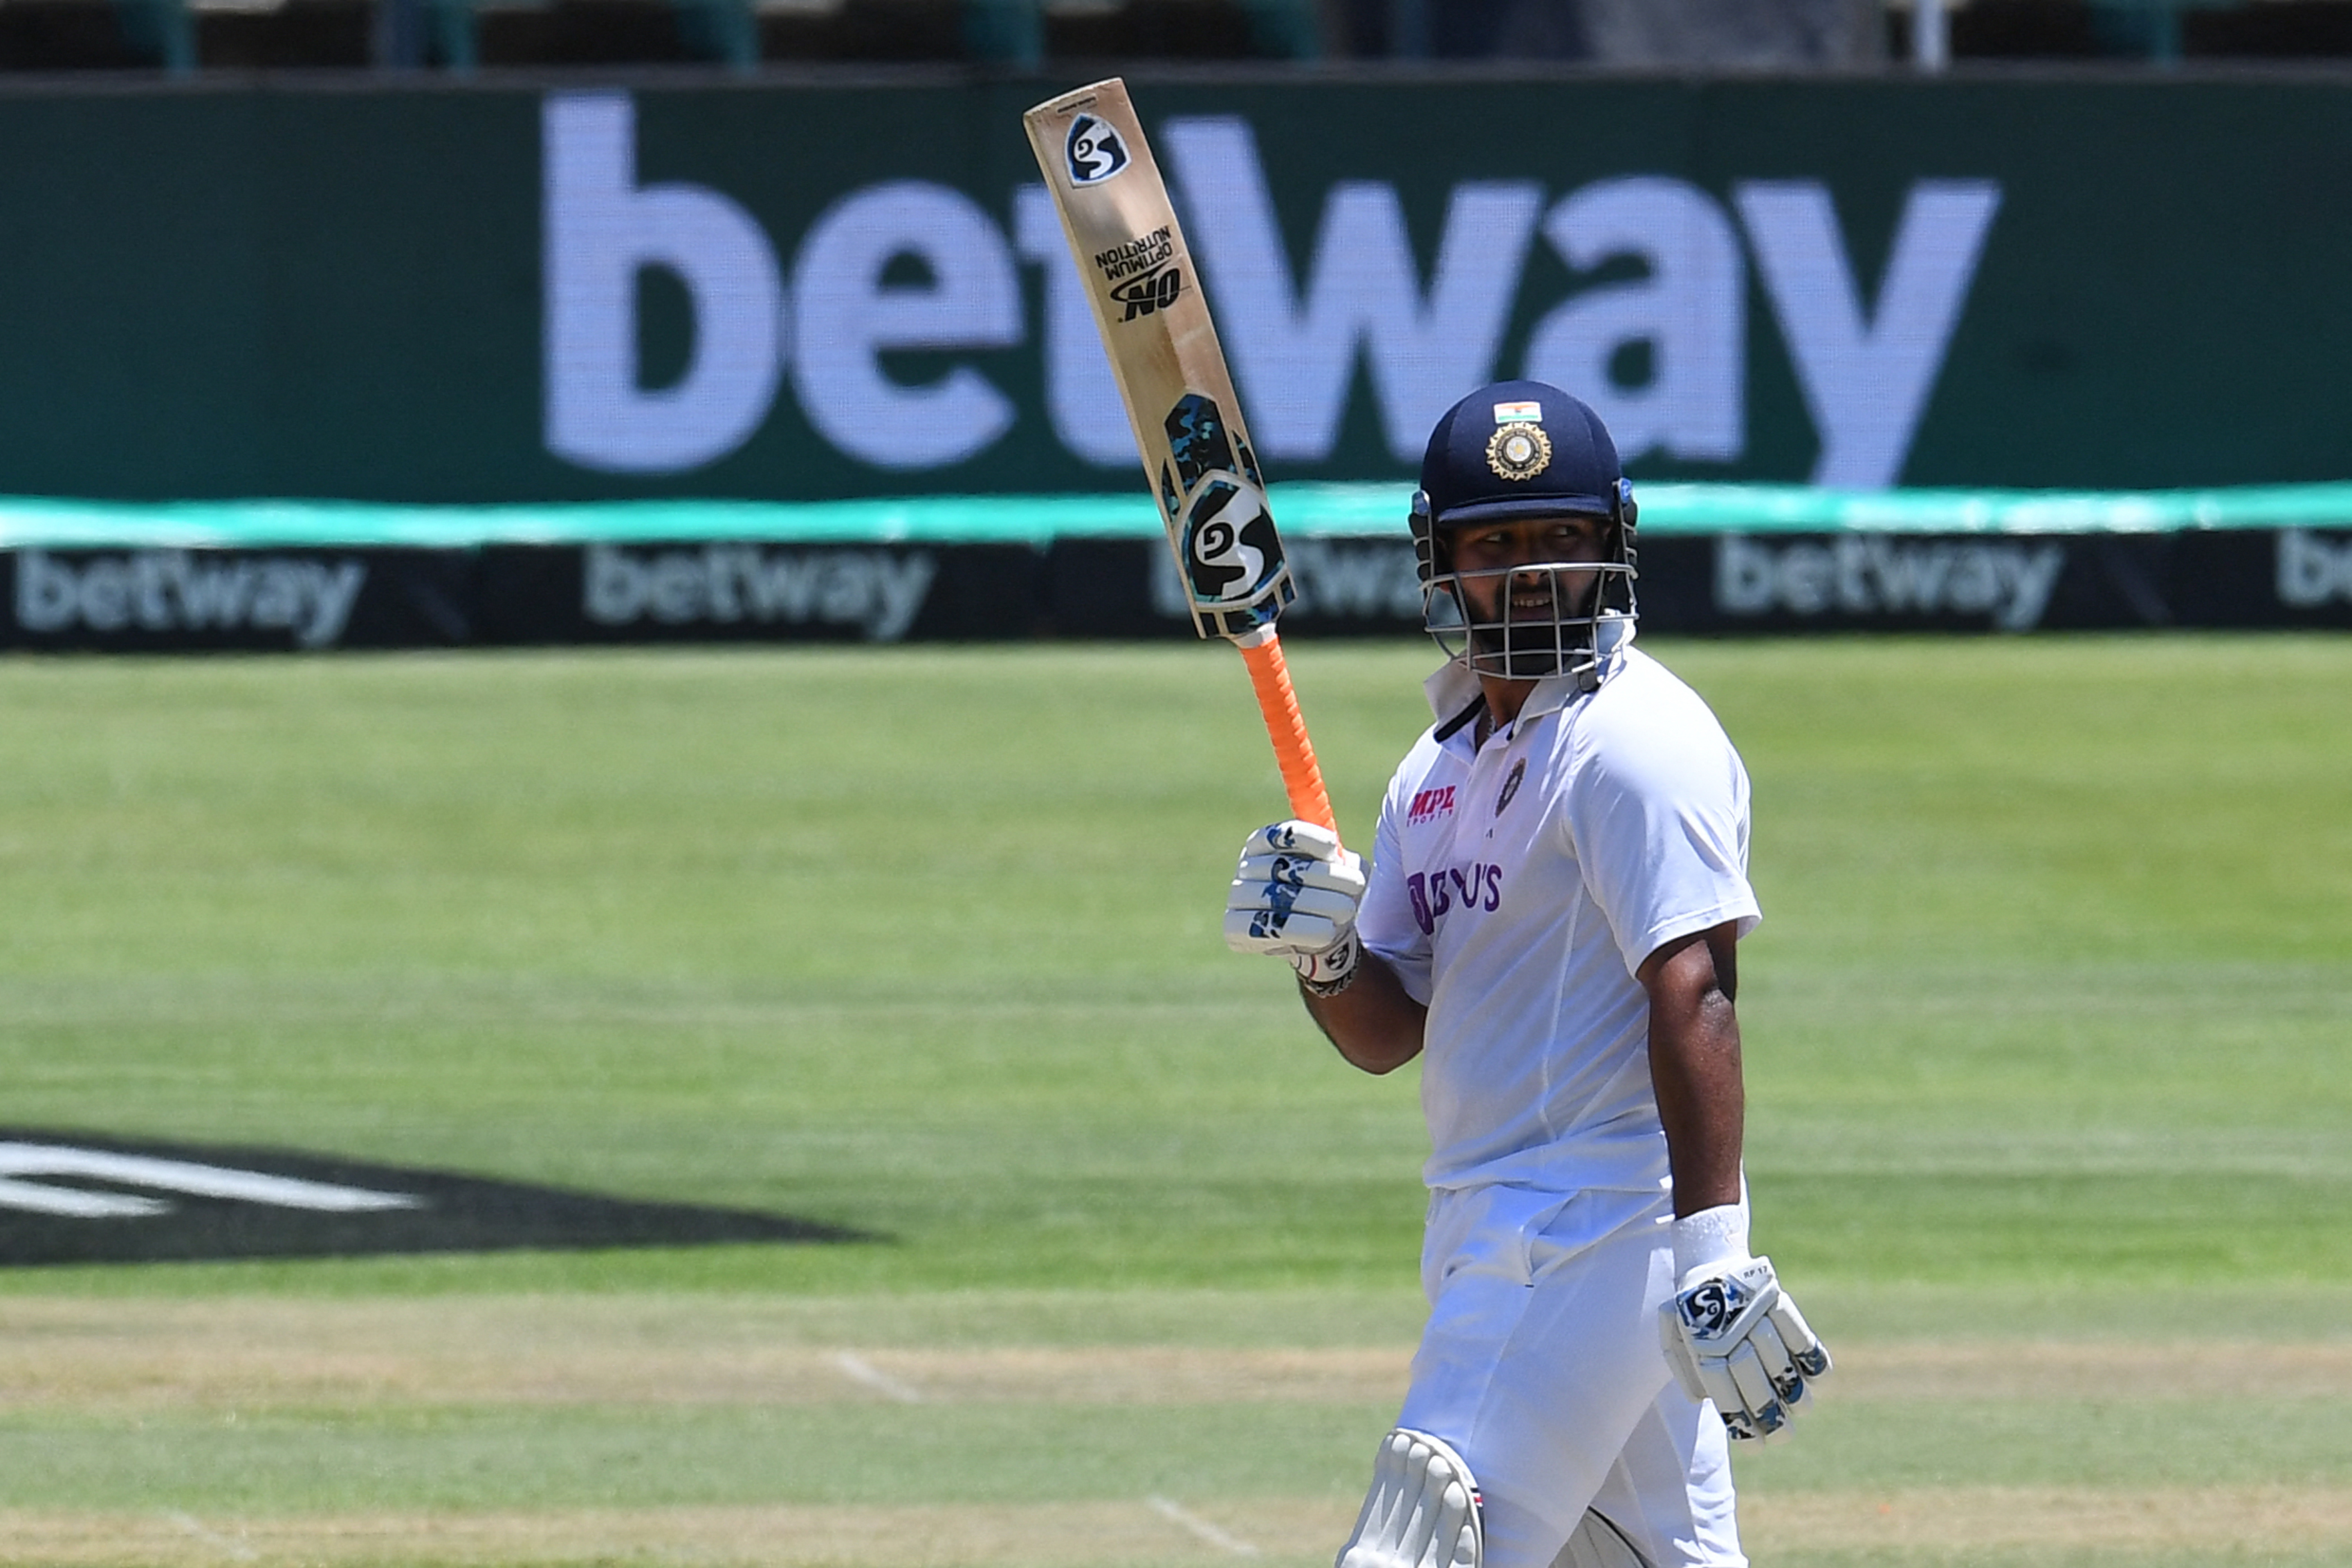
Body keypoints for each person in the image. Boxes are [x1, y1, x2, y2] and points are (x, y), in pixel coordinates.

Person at [1224, 381, 1829, 1568]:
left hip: (1590, 1226)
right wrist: (1323, 949)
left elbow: (1694, 985)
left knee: (1420, 1548)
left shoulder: (1634, 740)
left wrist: (1713, 1252)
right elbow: (1388, 1030)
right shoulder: (1435, 767)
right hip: (1481, 1220)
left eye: (1564, 538)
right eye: (1497, 545)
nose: (1536, 572)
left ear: (1614, 546)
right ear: (1441, 562)